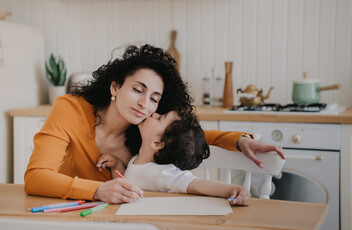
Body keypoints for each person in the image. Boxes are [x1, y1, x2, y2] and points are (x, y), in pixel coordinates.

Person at [24, 44, 284, 204]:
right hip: (70, 217)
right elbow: (36, 178)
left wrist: (239, 140)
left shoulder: (144, 134)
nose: (144, 105)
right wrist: (98, 190)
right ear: (115, 86)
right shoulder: (70, 109)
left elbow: (192, 135)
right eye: (138, 89)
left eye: (154, 99)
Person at [97, 110, 250, 205]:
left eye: (159, 118)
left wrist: (232, 189)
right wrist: (117, 165)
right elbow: (128, 184)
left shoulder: (163, 173)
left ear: (157, 143)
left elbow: (198, 184)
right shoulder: (137, 158)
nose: (154, 113)